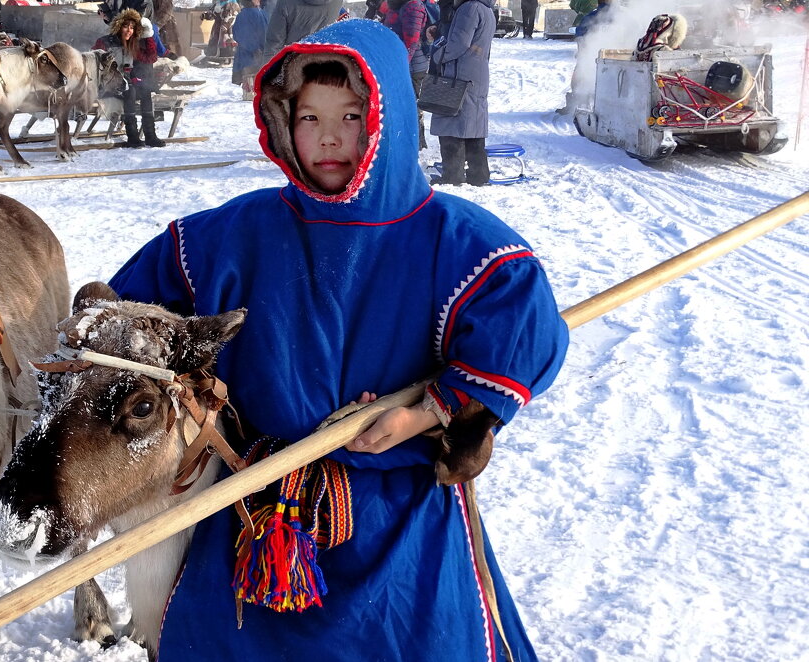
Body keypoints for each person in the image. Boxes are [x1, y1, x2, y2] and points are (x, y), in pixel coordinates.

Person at [107, 18, 568, 661]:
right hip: (257, 510)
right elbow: (131, 307)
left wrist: (428, 413)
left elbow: (521, 325)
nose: (328, 137)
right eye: (308, 116)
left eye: (352, 116)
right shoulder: (234, 236)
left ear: (390, 118)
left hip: (398, 519)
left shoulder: (453, 241)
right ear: (279, 121)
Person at [429, 0, 494, 186]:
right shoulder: (485, 8)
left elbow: (459, 43)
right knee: (473, 125)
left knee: (451, 124)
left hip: (461, 74)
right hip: (477, 72)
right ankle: (478, 175)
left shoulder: (469, 8)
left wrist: (437, 55)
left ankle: (452, 176)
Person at [95, 9, 167, 148]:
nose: (129, 30)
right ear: (119, 26)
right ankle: (132, 135)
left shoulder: (132, 44)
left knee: (145, 92)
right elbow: (97, 63)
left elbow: (147, 59)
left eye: (132, 28)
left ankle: (150, 135)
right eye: (126, 26)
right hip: (108, 85)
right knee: (131, 91)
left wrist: (149, 35)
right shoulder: (106, 42)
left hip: (125, 83)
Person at [382, 0, 431, 150]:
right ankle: (406, 141)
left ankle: (414, 143)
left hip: (412, 66)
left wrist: (401, 66)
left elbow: (412, 41)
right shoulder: (396, 4)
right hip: (399, 63)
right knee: (401, 104)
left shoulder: (413, 5)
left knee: (411, 105)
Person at [262, 0, 344, 61]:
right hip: (327, 65)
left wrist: (266, 77)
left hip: (295, 67)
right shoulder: (337, 2)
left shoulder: (286, 2)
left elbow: (274, 44)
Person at [232, 0, 269, 100]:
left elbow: (236, 34)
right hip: (260, 53)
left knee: (248, 76)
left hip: (245, 54)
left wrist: (250, 47)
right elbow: (266, 34)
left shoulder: (241, 15)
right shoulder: (262, 14)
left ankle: (249, 94)